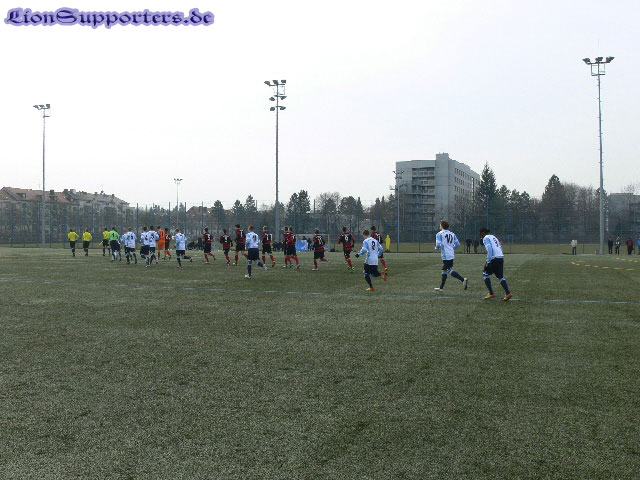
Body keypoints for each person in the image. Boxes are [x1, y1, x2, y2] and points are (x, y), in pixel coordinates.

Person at [433, 220, 468, 292]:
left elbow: (438, 245)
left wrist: (436, 248)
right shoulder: (452, 234)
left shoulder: (439, 234)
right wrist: (451, 249)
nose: (439, 226)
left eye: (440, 225)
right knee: (444, 270)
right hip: (451, 254)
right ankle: (441, 288)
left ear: (442, 226)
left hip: (446, 255)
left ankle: (463, 279)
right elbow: (458, 244)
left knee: (447, 270)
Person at [479, 227, 512, 301]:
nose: (480, 236)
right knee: (501, 277)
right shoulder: (494, 237)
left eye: (480, 234)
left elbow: (490, 249)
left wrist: (488, 261)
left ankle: (491, 293)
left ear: (483, 233)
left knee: (485, 274)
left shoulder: (485, 238)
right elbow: (500, 247)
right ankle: (508, 293)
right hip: (500, 257)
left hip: (493, 258)